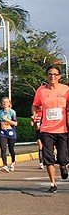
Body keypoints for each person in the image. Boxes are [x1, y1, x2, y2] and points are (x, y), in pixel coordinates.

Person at [31, 65, 69, 193]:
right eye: (50, 74)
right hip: (46, 129)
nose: (52, 76)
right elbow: (35, 106)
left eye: (55, 74)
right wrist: (35, 115)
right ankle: (53, 183)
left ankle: (63, 165)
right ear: (47, 76)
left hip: (62, 129)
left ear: (59, 76)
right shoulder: (41, 91)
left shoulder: (65, 90)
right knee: (48, 157)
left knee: (63, 157)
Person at [0, 97, 18, 172]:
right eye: (3, 102)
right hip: (3, 132)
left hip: (11, 132)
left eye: (6, 102)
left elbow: (15, 123)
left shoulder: (12, 112)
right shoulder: (0, 112)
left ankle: (13, 161)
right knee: (3, 148)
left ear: (9, 103)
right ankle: (5, 165)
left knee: (11, 148)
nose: (5, 103)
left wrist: (7, 120)